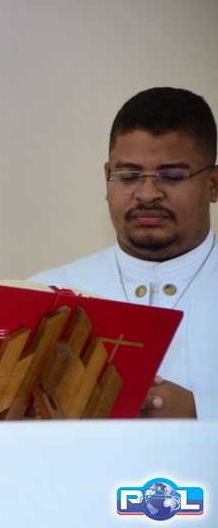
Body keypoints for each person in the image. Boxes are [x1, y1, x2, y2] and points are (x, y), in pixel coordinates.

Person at [29, 87, 218, 419]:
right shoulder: (45, 295)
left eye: (172, 176)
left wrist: (200, 410)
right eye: (129, 176)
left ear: (213, 184)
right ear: (107, 179)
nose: (147, 194)